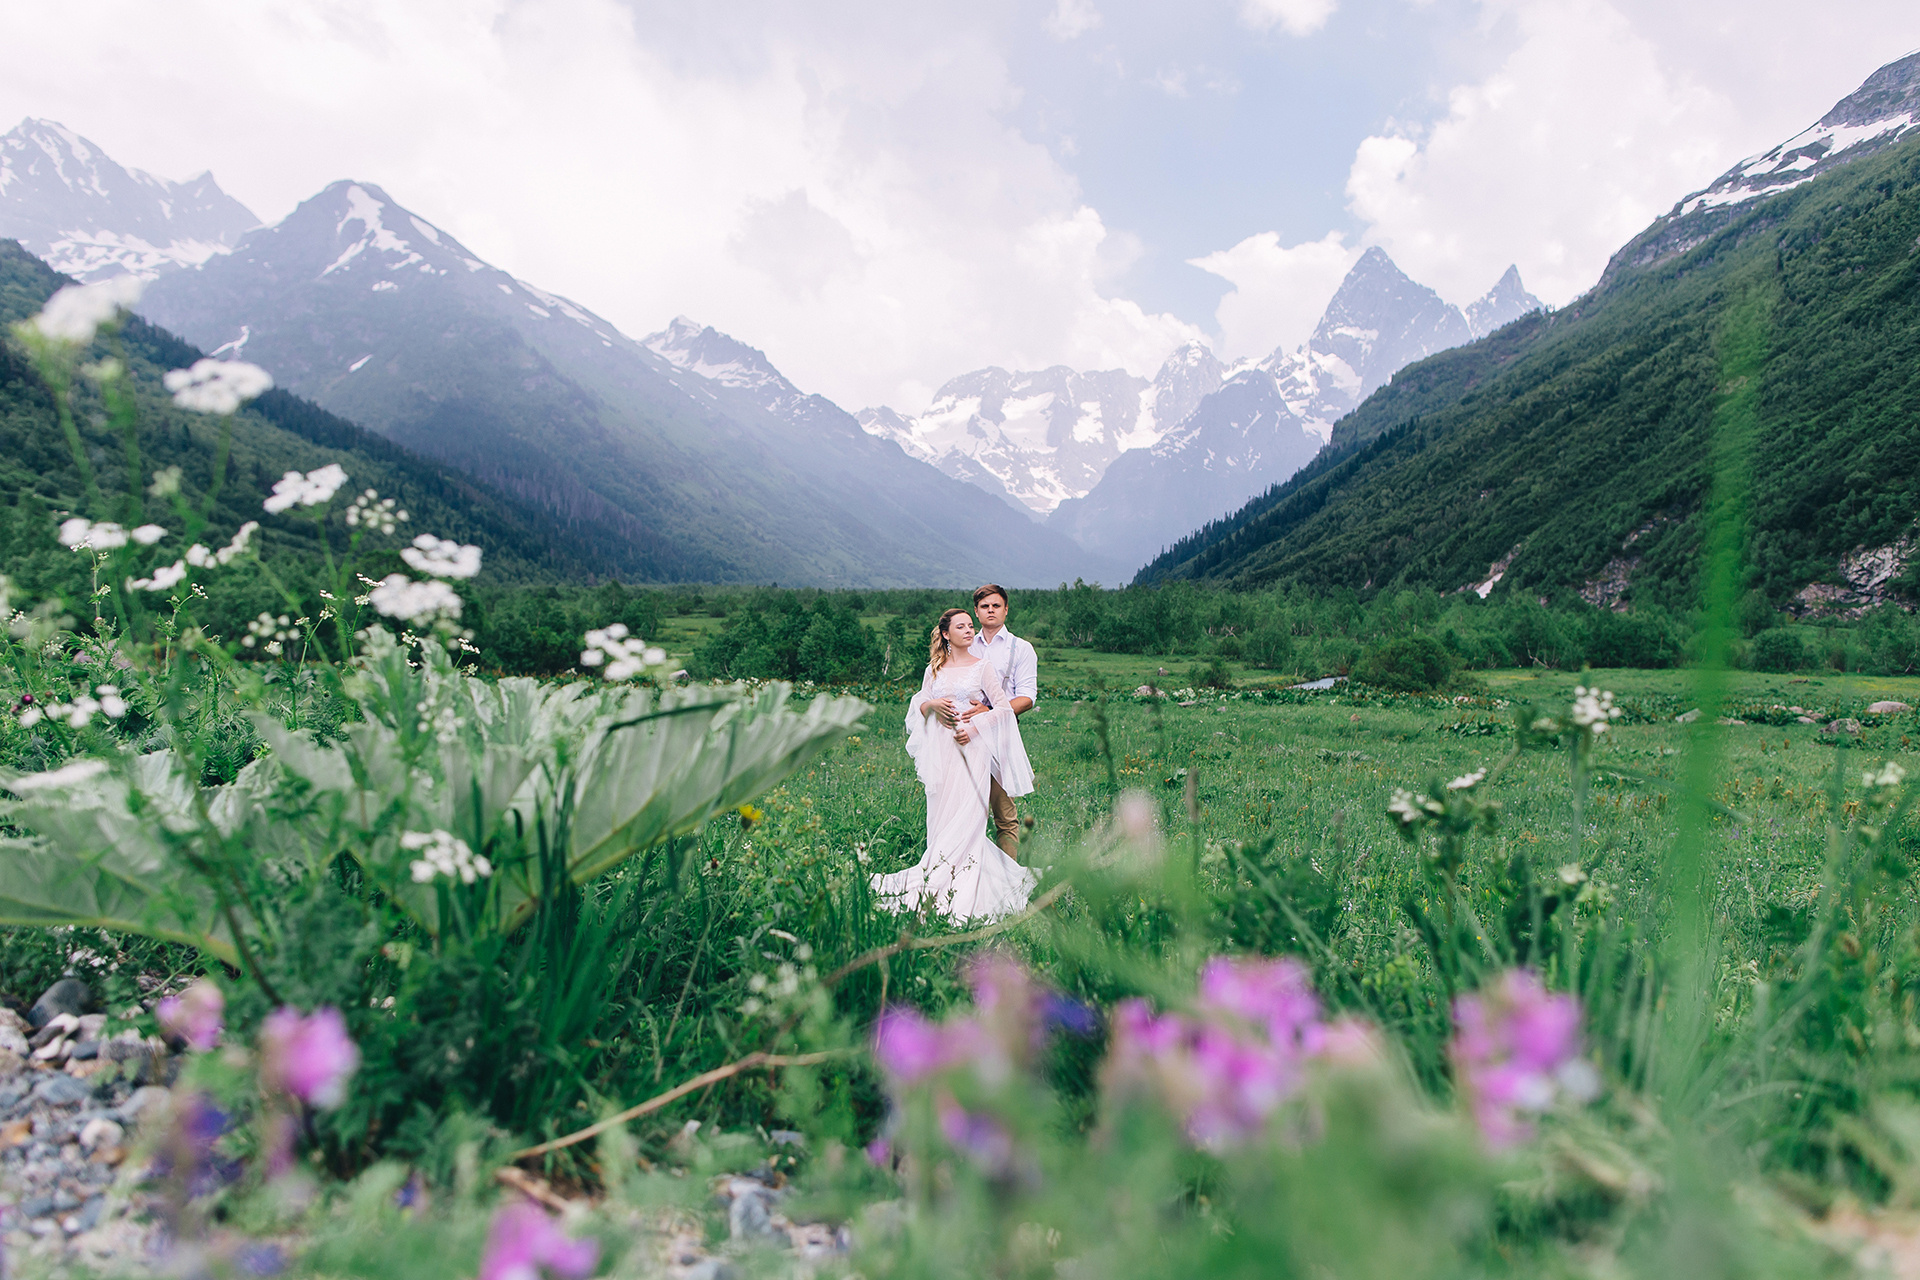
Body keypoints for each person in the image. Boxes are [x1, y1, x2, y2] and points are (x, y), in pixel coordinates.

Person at [870, 607, 1037, 923]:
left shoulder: (982, 667)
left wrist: (974, 727)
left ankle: (964, 888)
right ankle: (937, 875)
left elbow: (1002, 709)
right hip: (942, 752)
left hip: (973, 750)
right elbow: (919, 704)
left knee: (968, 818)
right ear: (946, 634)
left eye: (970, 626)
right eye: (961, 626)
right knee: (942, 819)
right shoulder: (934, 669)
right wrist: (932, 704)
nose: (969, 630)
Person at [952, 584, 1036, 858]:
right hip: (966, 736)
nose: (991, 611)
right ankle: (963, 874)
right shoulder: (963, 643)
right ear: (976, 612)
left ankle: (1008, 878)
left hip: (1001, 734)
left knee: (1004, 813)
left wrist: (988, 712)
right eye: (985, 606)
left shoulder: (1021, 649)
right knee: (963, 809)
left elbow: (1027, 697)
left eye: (996, 606)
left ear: (1006, 610)